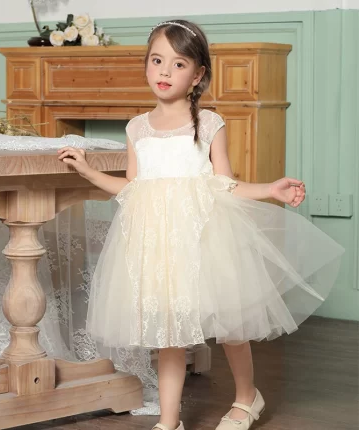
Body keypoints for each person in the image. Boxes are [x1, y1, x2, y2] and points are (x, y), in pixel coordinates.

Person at [58, 20, 344, 430]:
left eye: (178, 64)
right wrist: (88, 171)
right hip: (158, 246)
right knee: (169, 333)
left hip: (205, 239)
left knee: (231, 326)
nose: (164, 71)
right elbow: (133, 189)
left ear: (197, 75)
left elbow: (225, 185)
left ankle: (247, 397)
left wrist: (271, 189)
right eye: (157, 61)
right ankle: (169, 421)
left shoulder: (208, 124)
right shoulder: (137, 128)